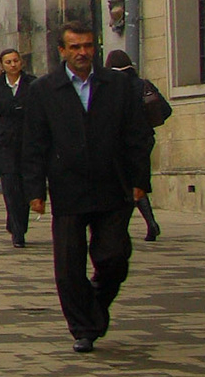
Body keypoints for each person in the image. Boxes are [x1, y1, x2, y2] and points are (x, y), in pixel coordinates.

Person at [21, 21, 154, 353]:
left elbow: (138, 135)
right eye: (75, 47)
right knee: (68, 265)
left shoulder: (118, 85)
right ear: (62, 52)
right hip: (68, 188)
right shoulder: (44, 91)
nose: (83, 53)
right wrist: (35, 190)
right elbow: (34, 143)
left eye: (88, 46)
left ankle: (95, 302)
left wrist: (140, 180)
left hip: (113, 185)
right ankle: (83, 326)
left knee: (114, 256)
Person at [105, 49, 166, 242]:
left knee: (126, 183)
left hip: (123, 142)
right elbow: (165, 109)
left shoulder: (112, 86)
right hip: (146, 138)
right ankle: (150, 223)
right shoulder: (141, 84)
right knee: (135, 180)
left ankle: (129, 225)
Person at [0, 48, 35, 247]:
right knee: (10, 186)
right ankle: (18, 232)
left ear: (21, 63)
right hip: (4, 141)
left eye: (15, 61)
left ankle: (18, 222)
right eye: (8, 62)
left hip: (27, 141)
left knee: (25, 187)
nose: (13, 65)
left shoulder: (32, 84)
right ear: (2, 66)